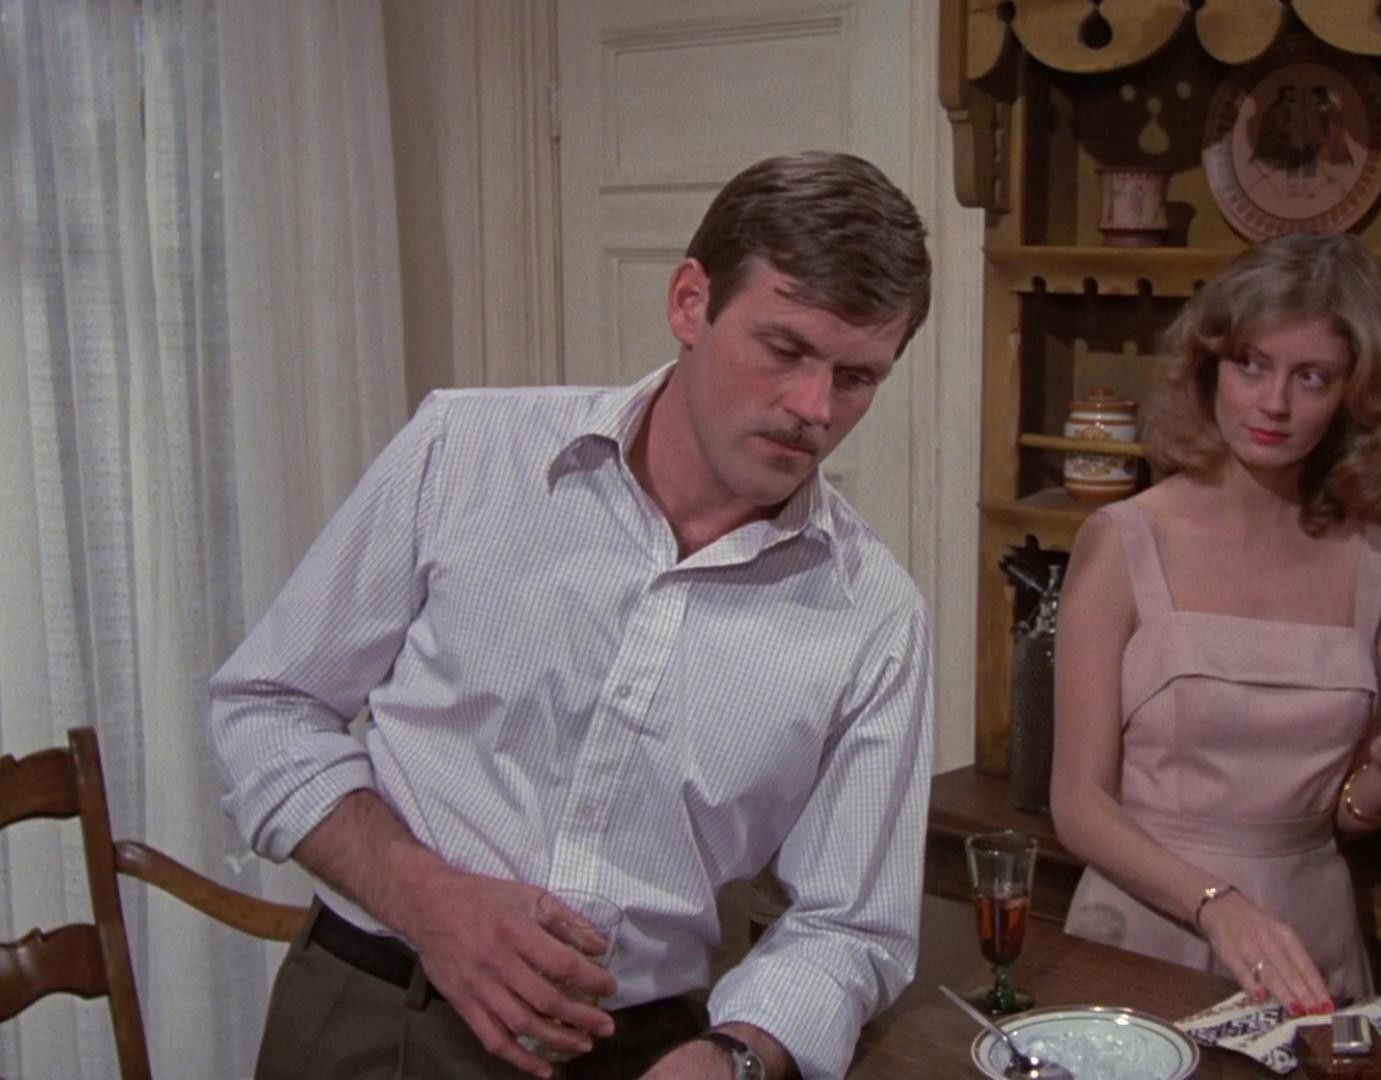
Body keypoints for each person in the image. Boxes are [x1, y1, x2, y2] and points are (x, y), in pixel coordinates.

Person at [208, 151, 935, 1080]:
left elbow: (852, 927)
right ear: (690, 302)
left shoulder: (874, 618)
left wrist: (736, 1057)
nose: (813, 408)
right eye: (785, 350)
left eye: (857, 377)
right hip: (382, 1012)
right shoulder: (466, 452)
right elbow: (266, 707)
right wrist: (432, 902)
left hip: (643, 1049)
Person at [1049, 232, 1381, 1017]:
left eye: (1311, 377)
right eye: (1252, 364)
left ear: (1352, 394)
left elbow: (1343, 810)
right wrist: (1218, 906)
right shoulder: (1125, 540)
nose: (1274, 403)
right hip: (1150, 929)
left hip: (1308, 939)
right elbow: (1079, 805)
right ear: (1210, 367)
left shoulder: (1378, 561)